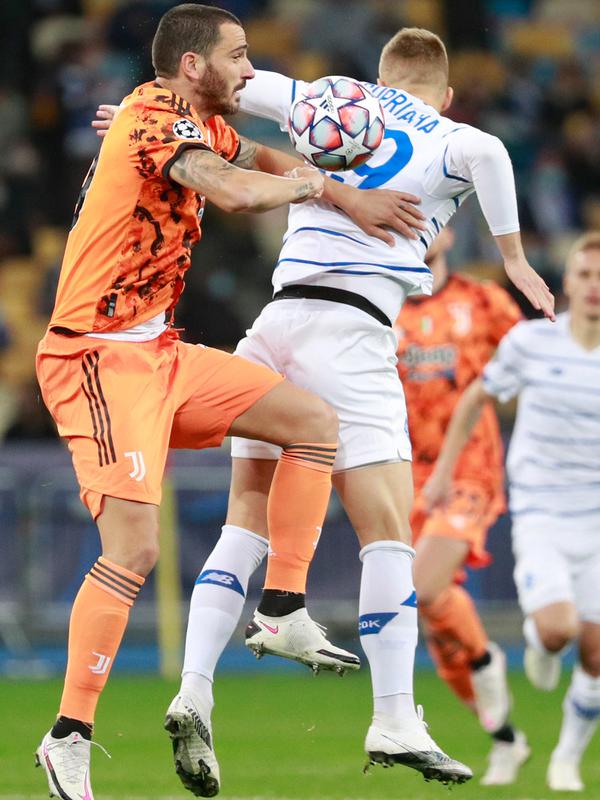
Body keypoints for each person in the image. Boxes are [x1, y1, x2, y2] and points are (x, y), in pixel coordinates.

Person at [144, 26, 556, 796]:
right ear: (448, 92)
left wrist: (160, 111)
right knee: (387, 533)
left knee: (245, 519)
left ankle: (194, 688)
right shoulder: (456, 136)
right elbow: (493, 156)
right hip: (352, 331)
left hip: (271, 326)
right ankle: (394, 714)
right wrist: (514, 256)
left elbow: (236, 85)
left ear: (380, 77)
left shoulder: (332, 103)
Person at [34, 6, 422, 800]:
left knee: (313, 423)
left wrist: (348, 199)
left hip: (161, 351)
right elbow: (237, 191)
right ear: (192, 67)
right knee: (134, 551)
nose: (251, 71)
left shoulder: (196, 121)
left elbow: (257, 152)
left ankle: (280, 608)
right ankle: (68, 735)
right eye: (238, 57)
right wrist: (317, 181)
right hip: (97, 356)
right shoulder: (154, 118)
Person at [424, 232, 600, 792]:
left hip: (577, 510)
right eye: (586, 275)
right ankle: (525, 667)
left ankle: (564, 758)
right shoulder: (530, 341)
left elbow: (480, 393)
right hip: (527, 506)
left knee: (593, 652)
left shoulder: (509, 319)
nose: (594, 288)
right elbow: (482, 393)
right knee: (543, 629)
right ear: (567, 281)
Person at [395, 226, 529, 785]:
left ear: (447, 231)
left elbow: (533, 366)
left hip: (468, 468)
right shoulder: (381, 304)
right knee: (433, 623)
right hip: (400, 471)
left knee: (423, 588)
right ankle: (505, 737)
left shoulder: (484, 301)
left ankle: (485, 662)